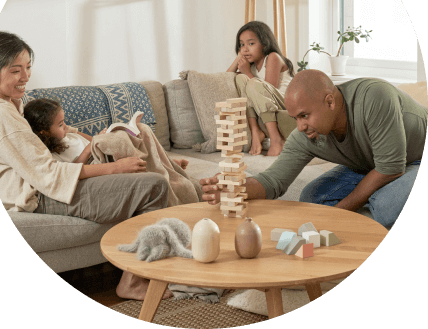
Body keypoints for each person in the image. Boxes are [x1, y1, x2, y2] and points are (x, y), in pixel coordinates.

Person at [0, 31, 175, 301]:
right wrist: (113, 169)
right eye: (15, 70)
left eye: (27, 67)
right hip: (41, 196)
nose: (25, 77)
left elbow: (48, 145)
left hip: (47, 185)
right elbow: (48, 174)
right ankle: (134, 281)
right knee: (154, 186)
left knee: (143, 172)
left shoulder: (9, 104)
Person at [200, 69, 427, 228]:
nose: (300, 126)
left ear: (330, 102)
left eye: (304, 115)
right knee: (310, 198)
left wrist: (340, 212)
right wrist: (235, 188)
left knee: (386, 206)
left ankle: (373, 217)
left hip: (412, 158)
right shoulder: (306, 135)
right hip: (370, 166)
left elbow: (390, 167)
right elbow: (273, 181)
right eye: (295, 118)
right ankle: (370, 209)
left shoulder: (375, 96)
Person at [23, 97, 189, 170]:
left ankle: (168, 163)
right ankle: (168, 164)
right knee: (124, 141)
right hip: (95, 162)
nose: (66, 126)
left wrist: (103, 135)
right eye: (60, 124)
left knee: (142, 130)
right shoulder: (52, 153)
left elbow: (91, 139)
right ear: (44, 132)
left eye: (64, 121)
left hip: (99, 149)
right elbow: (71, 171)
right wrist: (90, 147)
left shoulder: (68, 134)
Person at [227, 21, 296, 157]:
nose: (245, 49)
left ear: (264, 44)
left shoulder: (272, 58)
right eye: (242, 45)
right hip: (264, 110)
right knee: (240, 79)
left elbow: (268, 88)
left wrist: (247, 72)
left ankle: (276, 139)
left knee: (252, 83)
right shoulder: (250, 66)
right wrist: (238, 60)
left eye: (251, 44)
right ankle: (255, 131)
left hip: (285, 105)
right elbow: (226, 79)